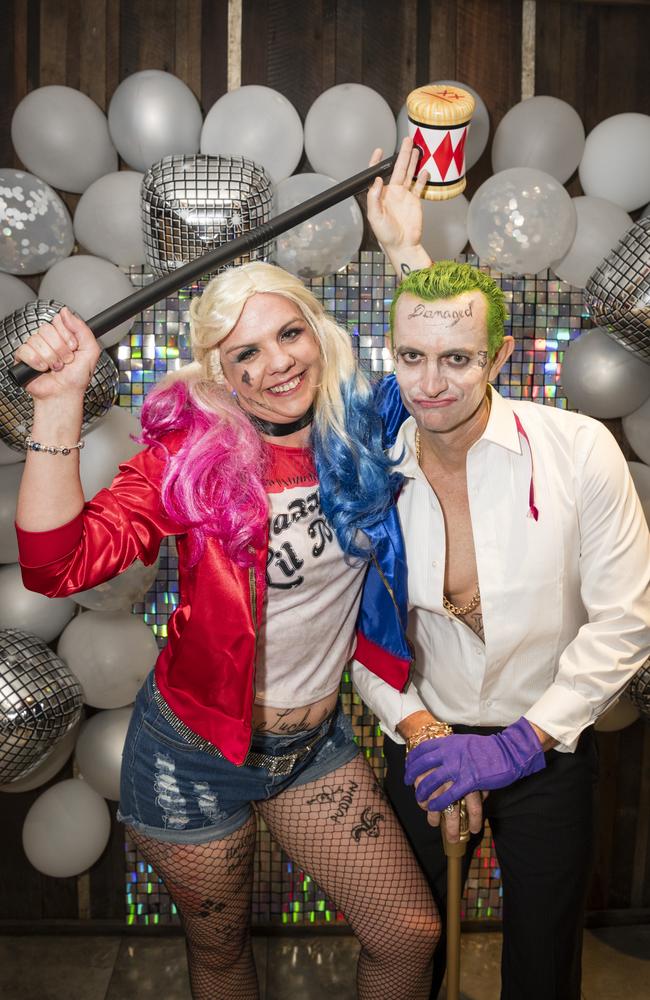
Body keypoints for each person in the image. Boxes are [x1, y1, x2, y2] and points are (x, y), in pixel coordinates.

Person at [14, 261, 440, 1000]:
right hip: (192, 759)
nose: (277, 363)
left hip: (312, 748)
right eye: (247, 353)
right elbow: (57, 567)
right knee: (221, 955)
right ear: (220, 371)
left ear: (317, 332)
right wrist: (59, 402)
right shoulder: (188, 461)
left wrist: (408, 246)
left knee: (408, 933)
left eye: (288, 334)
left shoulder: (364, 422)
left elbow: (446, 370)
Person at [350, 139, 650, 999]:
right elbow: (357, 630)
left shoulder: (579, 449)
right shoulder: (368, 467)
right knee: (410, 950)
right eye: (411, 358)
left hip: (549, 743)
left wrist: (524, 743)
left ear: (501, 359)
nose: (432, 382)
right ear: (392, 354)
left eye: (458, 359)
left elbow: (627, 617)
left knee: (543, 965)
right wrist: (418, 731)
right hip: (429, 737)